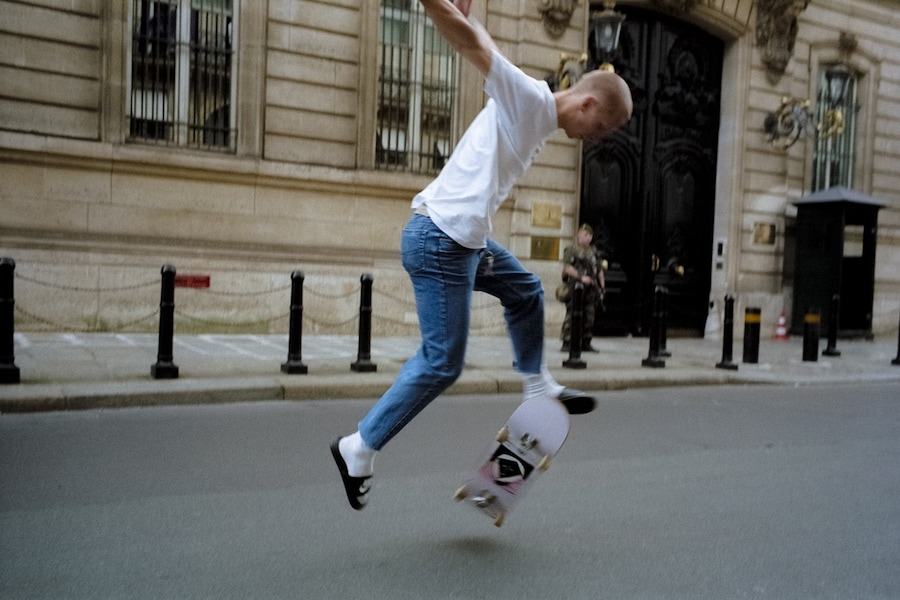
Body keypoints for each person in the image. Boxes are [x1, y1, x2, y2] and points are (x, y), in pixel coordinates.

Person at [331, 0, 633, 510]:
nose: (594, 141)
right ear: (584, 104)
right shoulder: (531, 102)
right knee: (441, 363)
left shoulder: (531, 110)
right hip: (441, 240)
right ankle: (358, 447)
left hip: (461, 239)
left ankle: (537, 385)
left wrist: (469, 15)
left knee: (525, 291)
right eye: (600, 129)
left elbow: (483, 42)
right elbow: (472, 47)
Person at [560, 223, 605, 352]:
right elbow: (567, 268)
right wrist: (581, 277)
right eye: (586, 234)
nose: (588, 238)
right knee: (572, 313)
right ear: (579, 234)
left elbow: (599, 269)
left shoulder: (593, 251)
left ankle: (586, 341)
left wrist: (602, 285)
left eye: (590, 235)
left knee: (589, 314)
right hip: (576, 286)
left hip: (591, 287)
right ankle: (567, 341)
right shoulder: (571, 249)